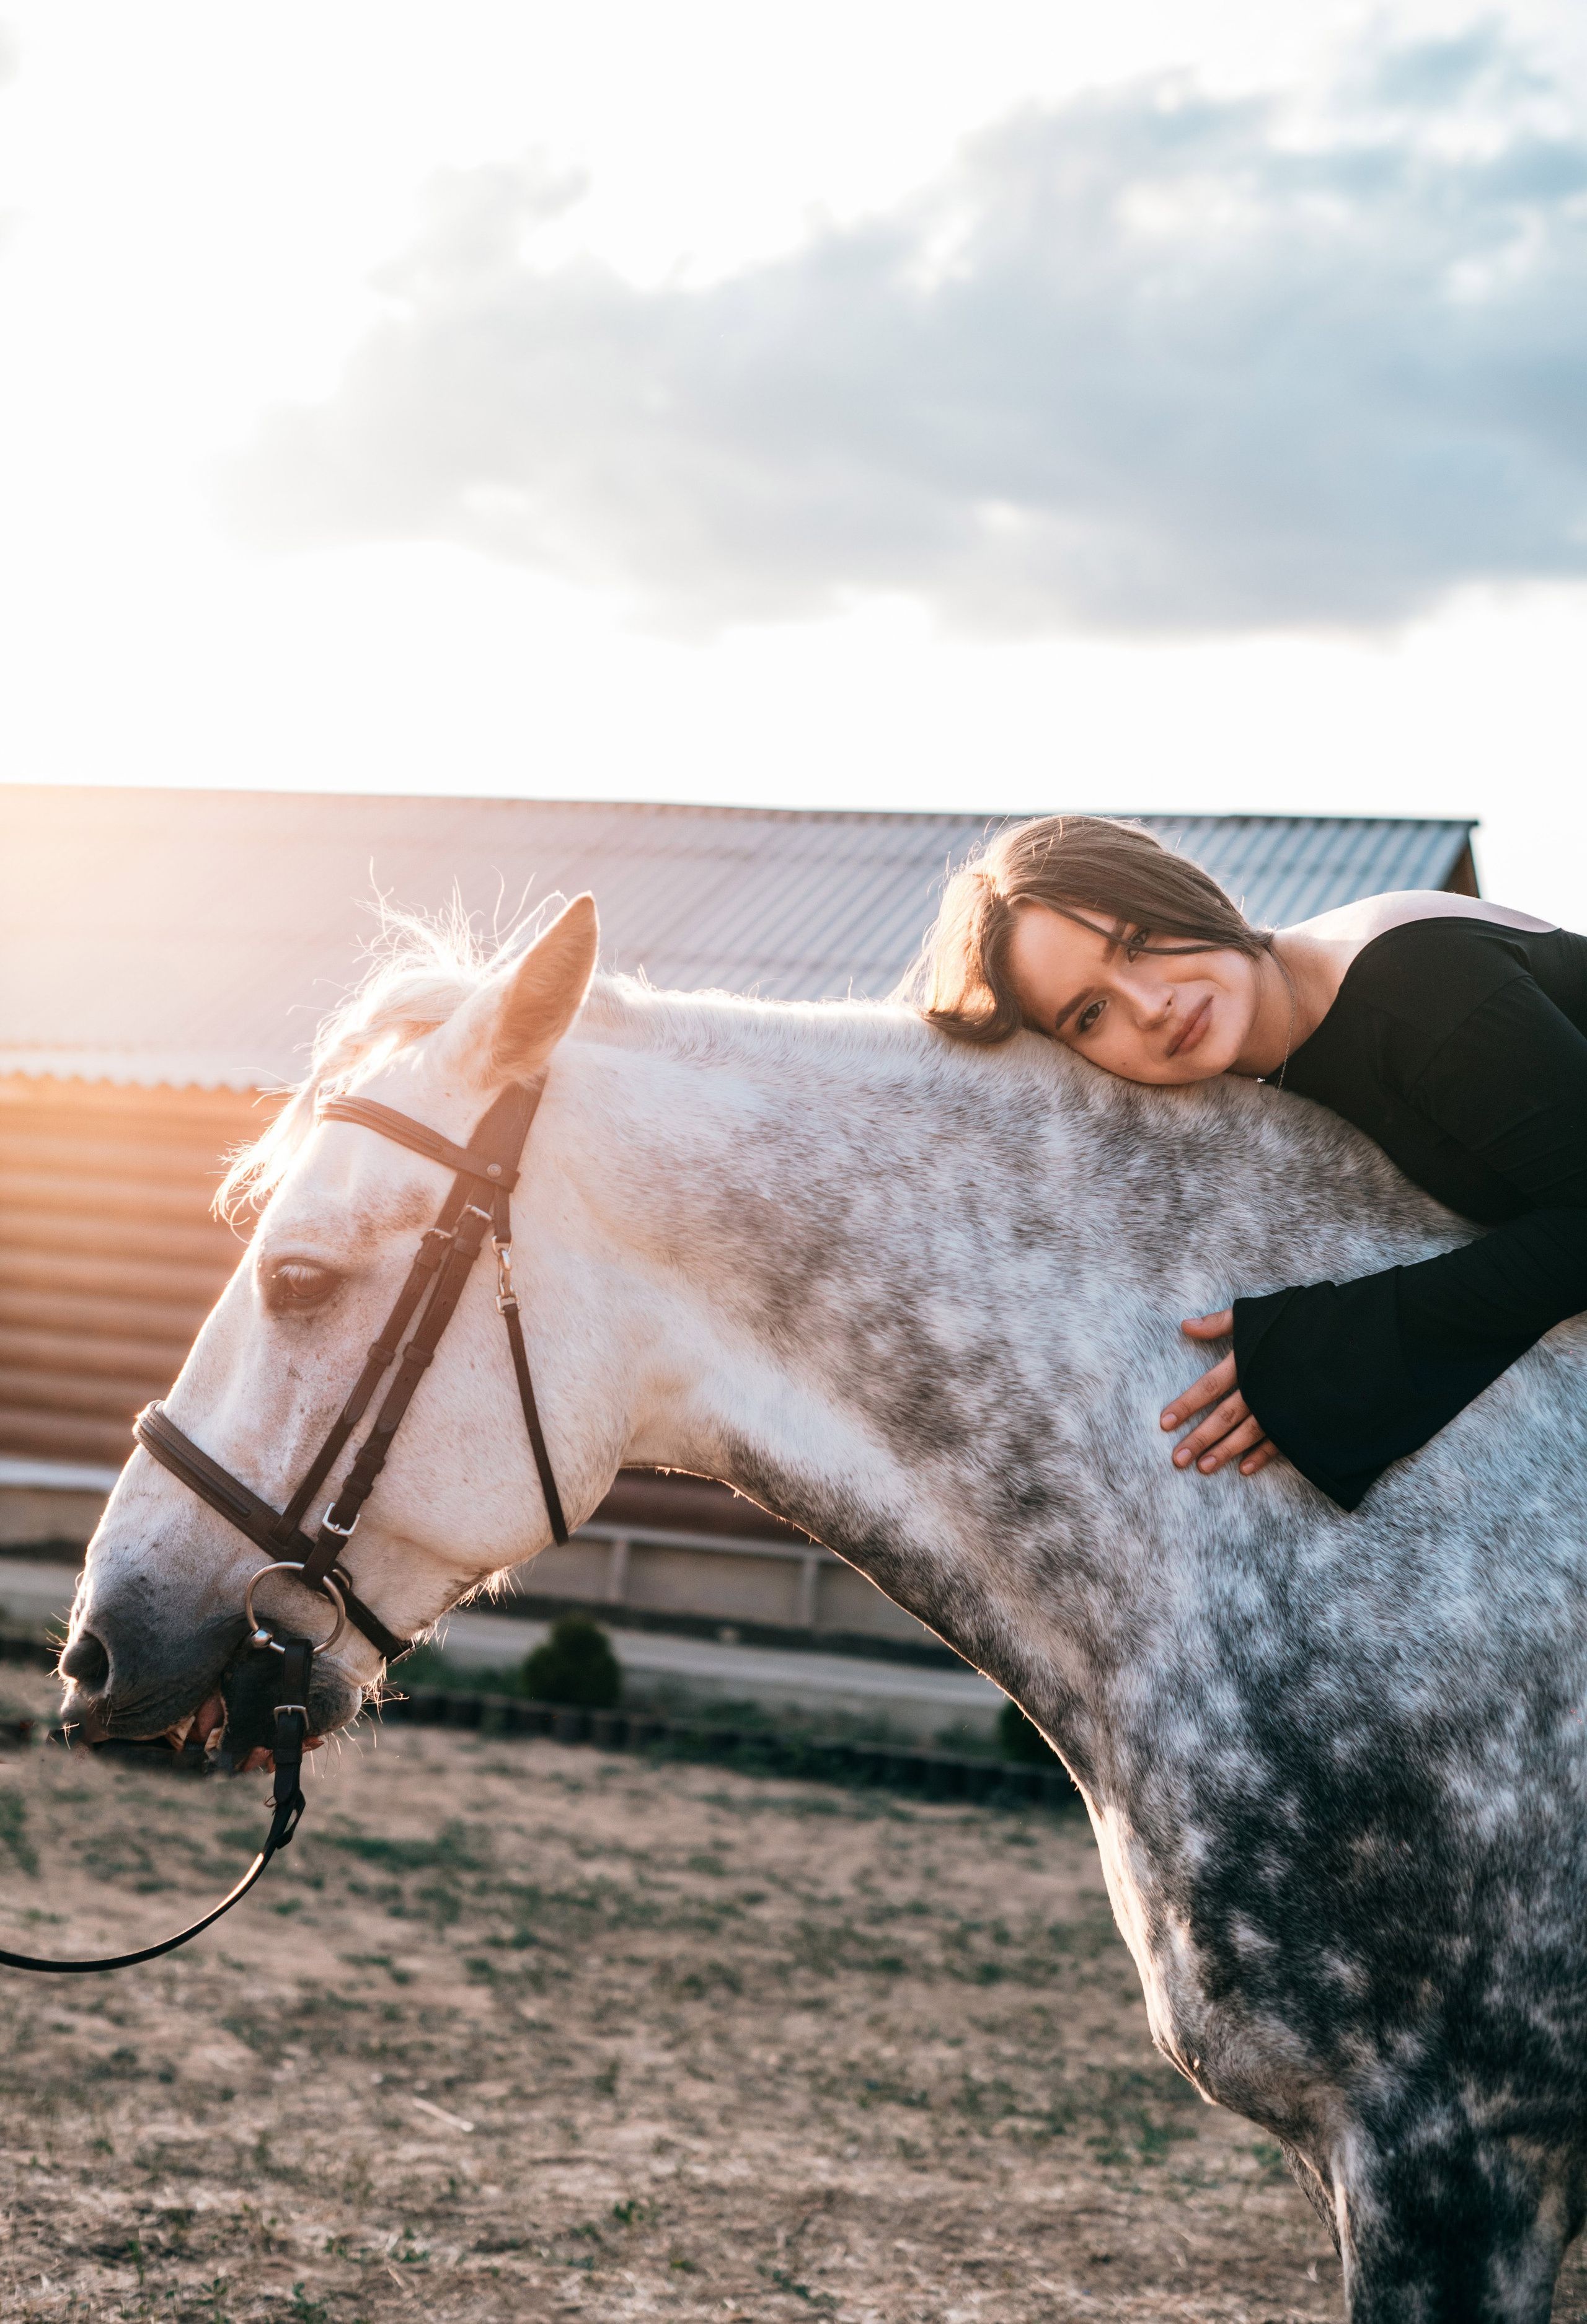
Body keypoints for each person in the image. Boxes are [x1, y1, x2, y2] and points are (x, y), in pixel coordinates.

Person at [914, 815, 1587, 1510]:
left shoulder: (1409, 983)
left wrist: (1338, 1349)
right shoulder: (1270, 1070)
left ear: (1181, 891)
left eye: (1138, 942)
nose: (1148, 1008)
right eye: (1090, 1014)